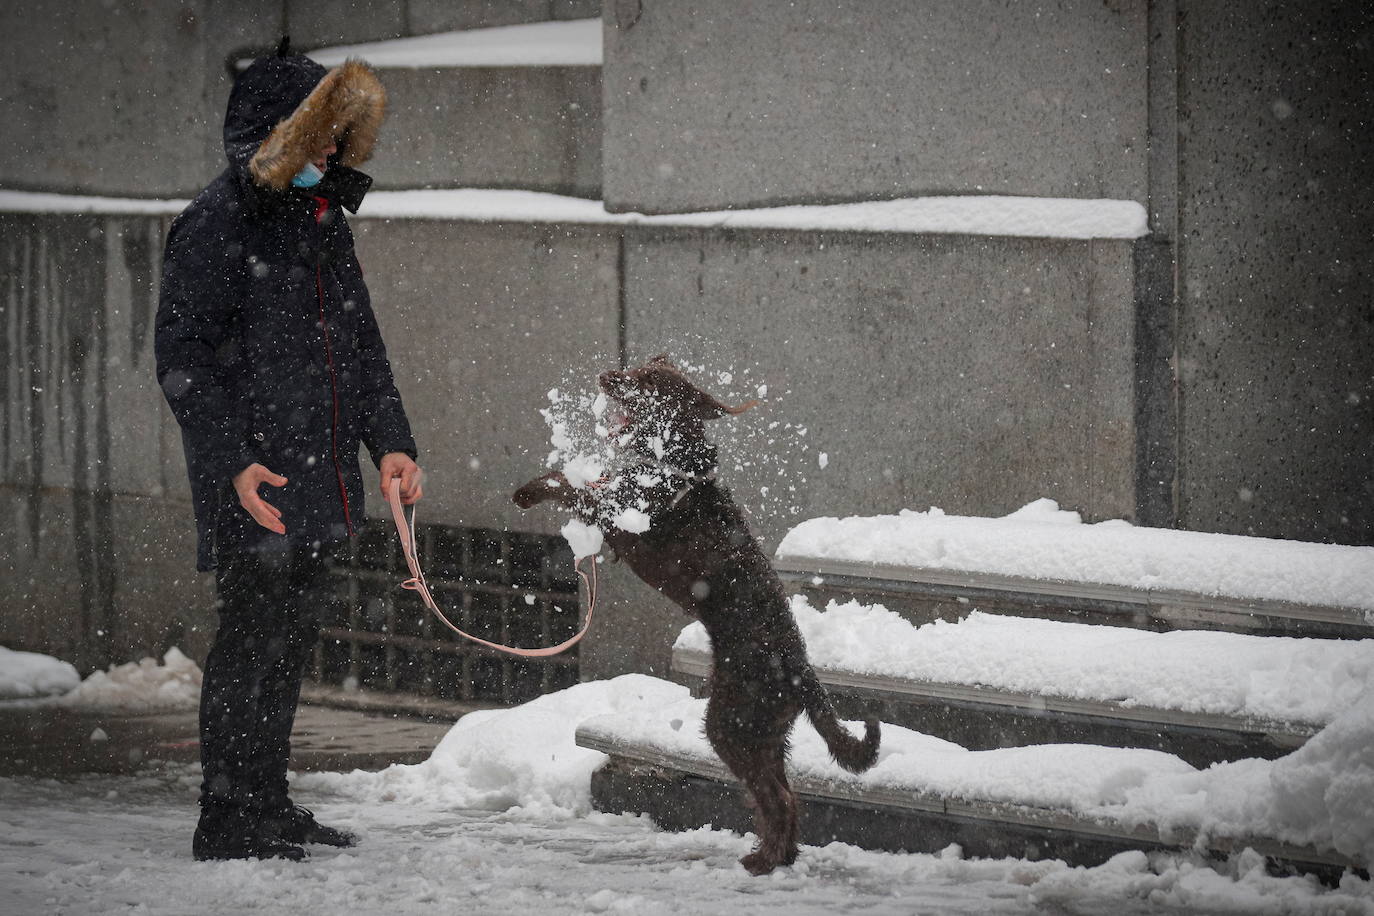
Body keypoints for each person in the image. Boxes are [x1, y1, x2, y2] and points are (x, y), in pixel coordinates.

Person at [155, 39, 422, 862]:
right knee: (250, 638)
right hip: (257, 475)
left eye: (341, 135)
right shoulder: (215, 222)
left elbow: (361, 346)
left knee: (287, 642)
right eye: (322, 133)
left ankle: (266, 803)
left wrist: (392, 444)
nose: (334, 150)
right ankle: (226, 816)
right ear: (283, 133)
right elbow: (183, 360)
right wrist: (233, 460)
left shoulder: (319, 218)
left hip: (319, 467)